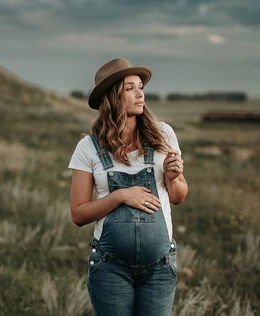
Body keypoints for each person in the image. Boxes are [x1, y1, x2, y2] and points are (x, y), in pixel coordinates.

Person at [68, 57, 188, 316]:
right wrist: (120, 196)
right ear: (112, 97)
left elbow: (178, 196)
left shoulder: (163, 135)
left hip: (159, 268)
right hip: (110, 269)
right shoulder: (88, 148)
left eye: (141, 87)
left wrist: (173, 176)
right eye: (130, 88)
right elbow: (78, 214)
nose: (140, 94)